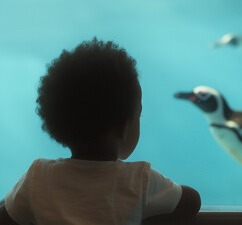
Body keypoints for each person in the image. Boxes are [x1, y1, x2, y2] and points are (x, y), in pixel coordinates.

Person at [0, 38, 201, 224]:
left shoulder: (39, 177)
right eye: (138, 113)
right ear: (123, 128)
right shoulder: (140, 180)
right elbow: (192, 201)